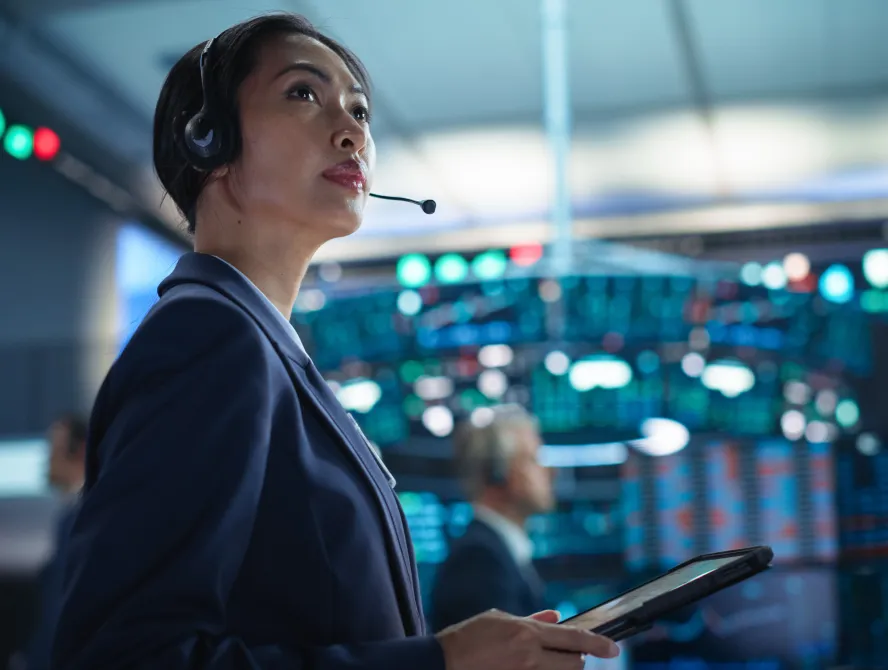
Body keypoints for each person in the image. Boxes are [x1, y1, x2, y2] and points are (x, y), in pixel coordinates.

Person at [51, 12, 619, 670]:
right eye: (303, 93)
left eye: (359, 109)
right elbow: (124, 657)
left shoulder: (264, 348)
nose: (352, 132)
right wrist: (440, 662)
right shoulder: (210, 337)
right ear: (209, 140)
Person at [430, 405, 556, 631]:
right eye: (533, 459)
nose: (550, 471)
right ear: (499, 474)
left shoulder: (495, 549)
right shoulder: (479, 558)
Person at [25, 415, 87, 670]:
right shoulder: (71, 517)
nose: (46, 462)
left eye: (53, 450)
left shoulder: (80, 522)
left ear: (80, 451)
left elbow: (60, 613)